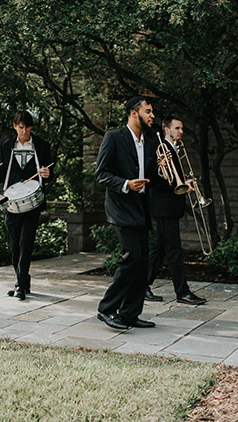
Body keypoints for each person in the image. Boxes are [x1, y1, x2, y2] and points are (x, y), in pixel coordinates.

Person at [94, 96, 163, 330]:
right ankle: (106, 309)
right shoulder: (114, 137)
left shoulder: (150, 142)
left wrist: (163, 172)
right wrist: (125, 184)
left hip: (141, 208)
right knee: (131, 259)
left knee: (142, 263)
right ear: (134, 113)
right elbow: (101, 173)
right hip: (121, 207)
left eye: (152, 112)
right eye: (148, 111)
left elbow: (150, 178)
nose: (152, 115)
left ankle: (130, 314)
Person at [0, 111, 52, 300]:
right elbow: (1, 172)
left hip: (32, 203)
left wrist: (47, 174)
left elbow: (52, 172)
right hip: (11, 201)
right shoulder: (6, 146)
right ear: (15, 126)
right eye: (21, 128)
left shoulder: (42, 146)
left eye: (28, 128)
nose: (25, 132)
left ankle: (20, 285)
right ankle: (23, 281)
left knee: (26, 242)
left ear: (32, 128)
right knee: (14, 245)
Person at [145, 116, 206, 305]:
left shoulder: (175, 148)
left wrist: (186, 182)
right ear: (166, 129)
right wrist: (181, 185)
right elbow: (156, 179)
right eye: (177, 128)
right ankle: (182, 291)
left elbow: (173, 178)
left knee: (160, 249)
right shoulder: (160, 148)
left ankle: (142, 286)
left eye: (181, 128)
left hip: (170, 206)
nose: (181, 131)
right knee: (174, 250)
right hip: (164, 206)